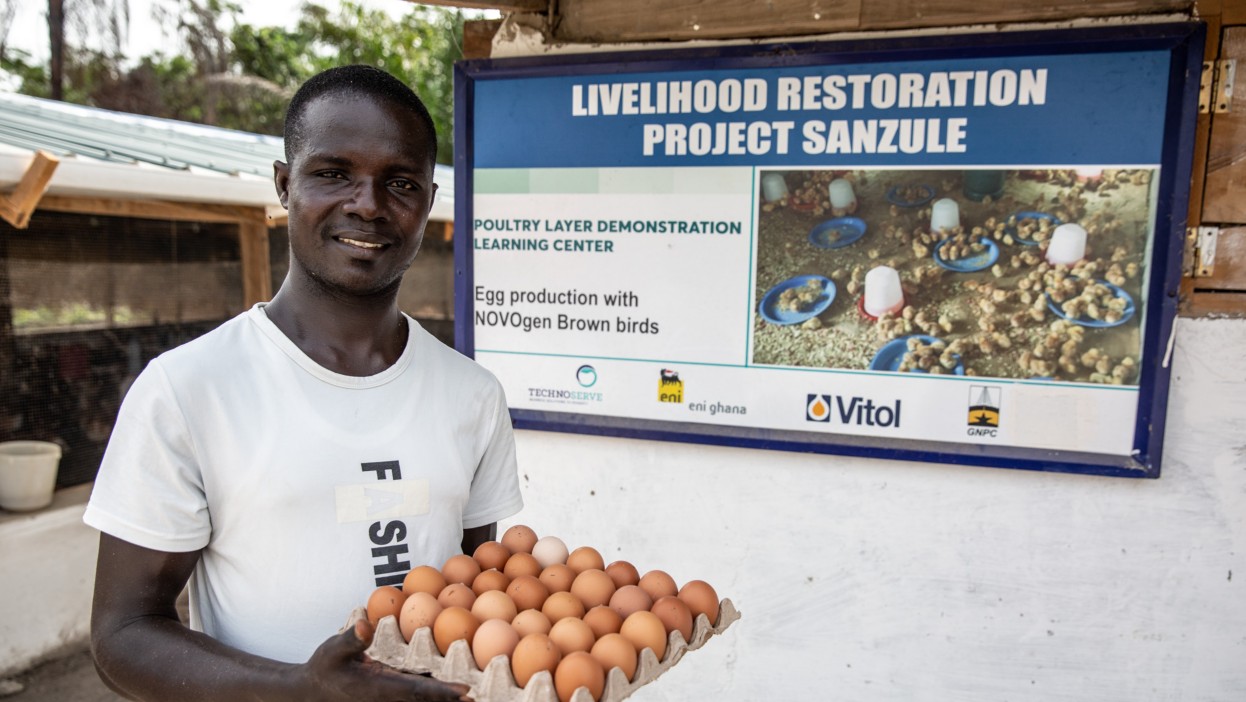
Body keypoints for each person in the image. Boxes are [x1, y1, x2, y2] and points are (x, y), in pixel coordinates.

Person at [84, 65, 523, 701]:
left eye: (398, 182)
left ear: (427, 203)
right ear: (286, 186)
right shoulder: (187, 390)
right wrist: (300, 690)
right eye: (333, 173)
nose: (367, 203)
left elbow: (478, 592)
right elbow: (121, 635)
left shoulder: (472, 395)